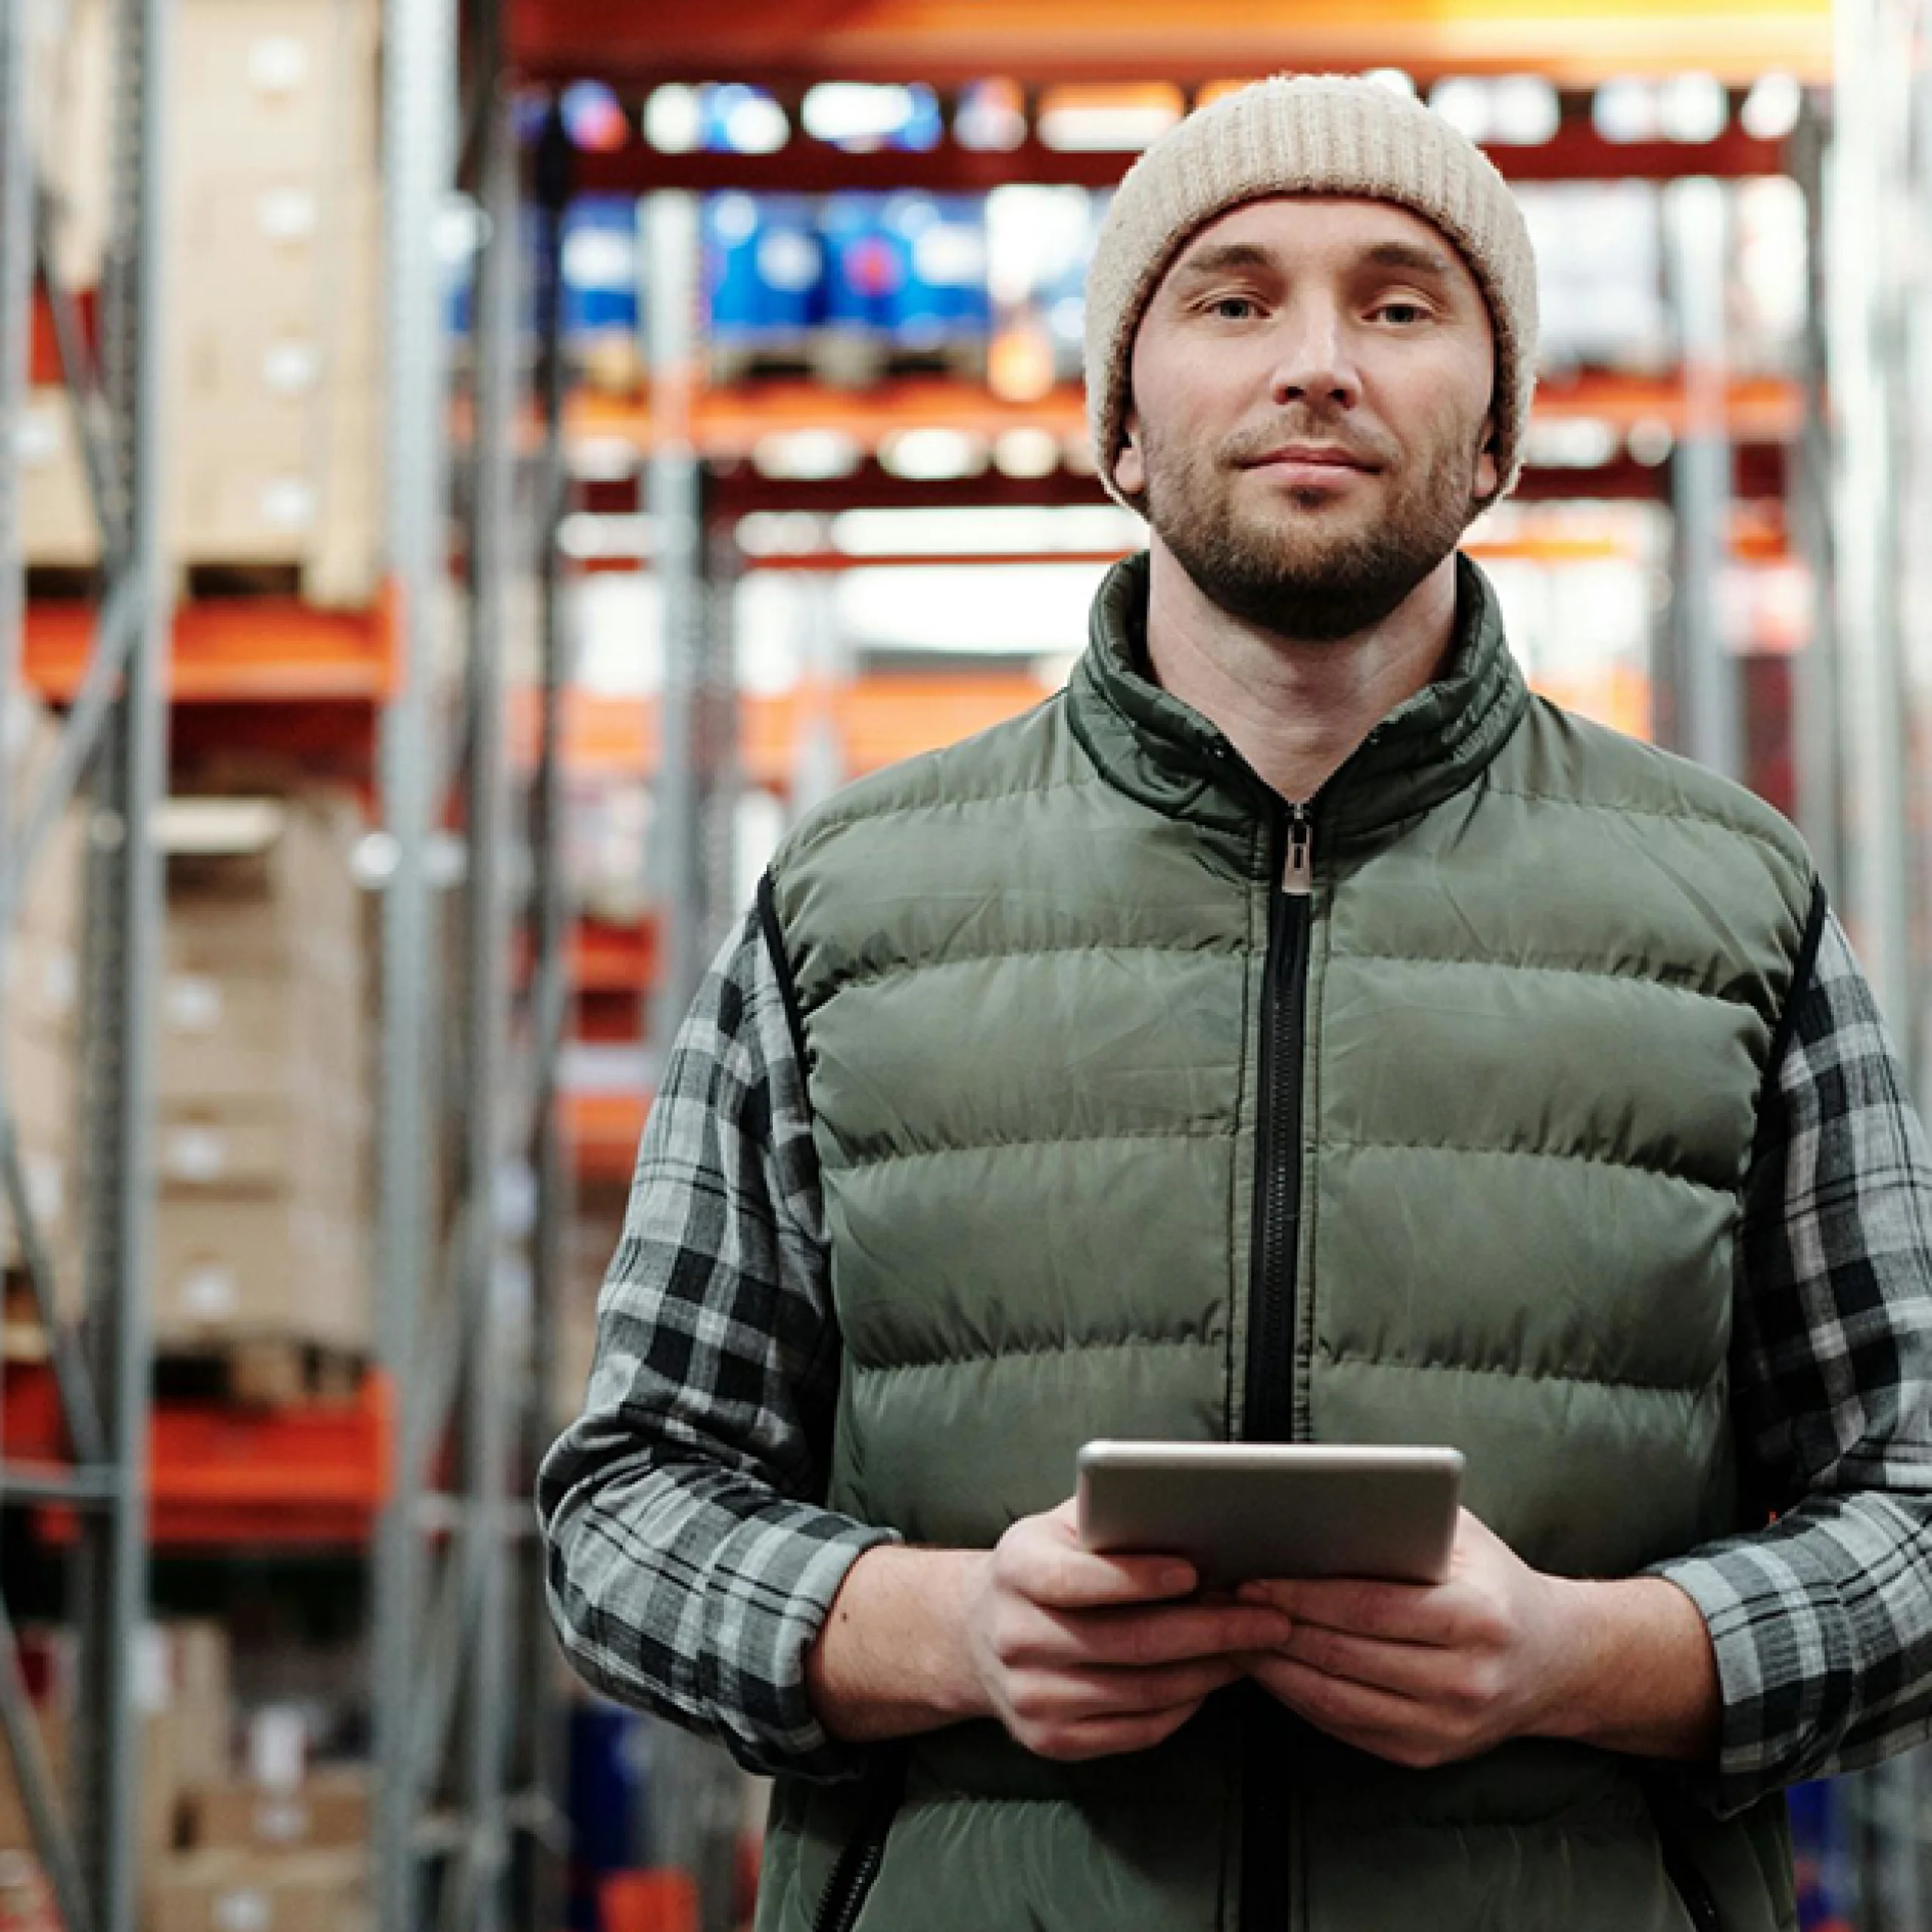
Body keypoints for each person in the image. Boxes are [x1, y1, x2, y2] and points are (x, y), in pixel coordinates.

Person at [539, 75, 1932, 1932]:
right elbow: (630, 1505)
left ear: (1496, 426)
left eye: (1398, 302)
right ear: (1121, 420)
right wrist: (951, 1628)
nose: (1316, 364)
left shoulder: (1732, 907)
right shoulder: (845, 906)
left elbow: (1913, 1508)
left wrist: (1586, 1655)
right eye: (1231, 298)